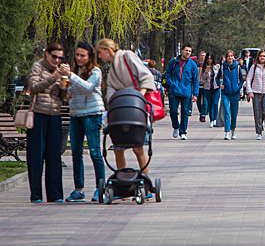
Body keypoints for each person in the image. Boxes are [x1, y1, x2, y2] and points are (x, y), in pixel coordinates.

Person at [97, 38, 155, 180]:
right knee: (118, 148)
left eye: (100, 52)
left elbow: (146, 76)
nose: (99, 56)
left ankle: (146, 184)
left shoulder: (127, 56)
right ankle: (123, 183)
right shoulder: (113, 68)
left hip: (136, 109)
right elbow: (111, 89)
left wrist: (139, 98)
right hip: (122, 110)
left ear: (108, 50)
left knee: (138, 148)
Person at [60, 42, 106, 202]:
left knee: (94, 152)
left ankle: (100, 188)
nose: (79, 58)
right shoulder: (77, 71)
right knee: (76, 153)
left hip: (92, 114)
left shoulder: (95, 71)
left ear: (89, 57)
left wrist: (71, 76)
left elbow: (88, 87)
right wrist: (65, 89)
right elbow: (72, 92)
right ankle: (78, 190)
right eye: (77, 55)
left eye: (83, 55)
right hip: (76, 114)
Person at [27, 43, 68, 202]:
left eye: (60, 58)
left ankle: (55, 194)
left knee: (54, 156)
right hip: (39, 114)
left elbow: (60, 96)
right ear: (47, 54)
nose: (56, 60)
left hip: (55, 115)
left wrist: (65, 87)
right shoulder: (38, 67)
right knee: (36, 155)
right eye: (54, 56)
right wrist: (53, 78)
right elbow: (34, 87)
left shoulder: (60, 72)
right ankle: (36, 194)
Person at [165, 43, 199, 140]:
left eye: (189, 51)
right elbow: (167, 74)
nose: (188, 52)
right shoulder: (173, 62)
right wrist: (171, 83)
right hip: (174, 90)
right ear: (182, 50)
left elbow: (195, 80)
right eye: (186, 50)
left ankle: (183, 131)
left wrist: (195, 93)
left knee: (185, 112)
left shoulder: (192, 65)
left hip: (186, 91)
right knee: (173, 111)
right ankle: (176, 126)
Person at [246, 49, 265, 140]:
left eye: (264, 56)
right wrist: (250, 91)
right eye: (261, 56)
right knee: (258, 113)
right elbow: (248, 79)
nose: (262, 57)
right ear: (258, 57)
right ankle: (259, 132)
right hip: (256, 92)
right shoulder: (254, 67)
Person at [216, 50, 244, 139]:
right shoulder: (222, 67)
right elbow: (217, 78)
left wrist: (238, 87)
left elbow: (242, 80)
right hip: (225, 93)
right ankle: (227, 132)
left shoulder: (237, 67)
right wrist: (220, 85)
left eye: (232, 56)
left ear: (234, 57)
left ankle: (233, 130)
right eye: (228, 56)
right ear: (226, 57)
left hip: (235, 93)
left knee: (234, 113)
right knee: (226, 112)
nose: (230, 58)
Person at [201, 52, 220, 128]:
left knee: (215, 103)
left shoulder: (217, 66)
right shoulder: (205, 67)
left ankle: (215, 119)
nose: (209, 60)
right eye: (208, 58)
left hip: (216, 88)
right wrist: (206, 72)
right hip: (207, 88)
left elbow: (219, 76)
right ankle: (211, 120)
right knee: (210, 104)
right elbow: (202, 78)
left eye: (210, 58)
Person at [196, 51, 207, 122]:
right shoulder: (196, 65)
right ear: (199, 56)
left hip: (205, 85)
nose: (203, 57)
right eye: (201, 55)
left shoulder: (207, 66)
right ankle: (201, 111)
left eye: (204, 56)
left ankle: (203, 114)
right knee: (198, 101)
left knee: (205, 101)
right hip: (197, 85)